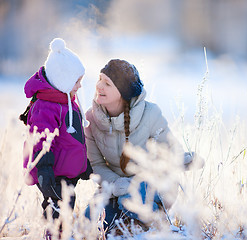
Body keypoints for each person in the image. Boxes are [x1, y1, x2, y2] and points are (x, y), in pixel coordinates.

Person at [85, 59, 201, 235]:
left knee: (129, 199)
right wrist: (116, 185)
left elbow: (169, 147)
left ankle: (156, 220)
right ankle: (129, 222)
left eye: (107, 83)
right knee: (90, 223)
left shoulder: (150, 113)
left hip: (154, 183)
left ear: (123, 92)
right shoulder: (91, 119)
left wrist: (182, 159)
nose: (99, 86)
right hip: (114, 188)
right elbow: (97, 165)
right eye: (100, 79)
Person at [20, 38, 93, 237]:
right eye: (76, 81)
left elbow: (72, 138)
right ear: (62, 80)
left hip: (65, 172)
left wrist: (82, 163)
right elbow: (40, 141)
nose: (79, 85)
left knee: (66, 207)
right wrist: (44, 171)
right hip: (52, 174)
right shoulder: (47, 106)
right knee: (57, 212)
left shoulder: (66, 100)